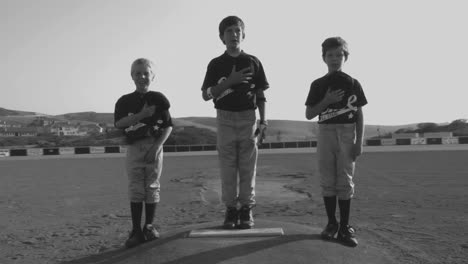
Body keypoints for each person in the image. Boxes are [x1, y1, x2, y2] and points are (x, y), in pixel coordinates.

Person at [201, 16, 269, 229]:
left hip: (249, 118)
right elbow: (206, 95)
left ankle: (246, 209)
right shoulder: (216, 64)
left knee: (248, 167)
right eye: (229, 31)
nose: (234, 34)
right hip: (224, 118)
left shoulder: (253, 62)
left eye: (238, 30)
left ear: (243, 34)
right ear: (222, 37)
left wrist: (264, 121)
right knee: (228, 167)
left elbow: (260, 95)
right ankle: (231, 210)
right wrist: (230, 82)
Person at [305, 37, 367, 247]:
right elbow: (309, 113)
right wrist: (327, 101)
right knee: (328, 179)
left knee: (345, 179)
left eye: (339, 54)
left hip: (348, 133)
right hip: (326, 132)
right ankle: (332, 223)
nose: (334, 58)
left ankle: (345, 227)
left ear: (345, 57)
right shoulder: (318, 84)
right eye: (330, 55)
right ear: (323, 58)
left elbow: (359, 114)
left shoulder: (352, 83)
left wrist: (359, 142)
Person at [114, 58, 173, 248]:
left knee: (152, 187)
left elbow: (168, 126)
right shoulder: (124, 101)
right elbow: (119, 123)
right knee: (136, 188)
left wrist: (157, 147)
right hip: (134, 148)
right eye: (138, 73)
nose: (142, 76)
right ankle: (135, 230)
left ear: (153, 76)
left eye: (146, 73)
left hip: (154, 146)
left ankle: (148, 226)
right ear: (132, 76)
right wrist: (142, 115)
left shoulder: (159, 99)